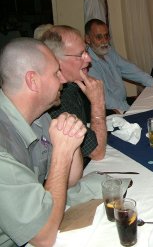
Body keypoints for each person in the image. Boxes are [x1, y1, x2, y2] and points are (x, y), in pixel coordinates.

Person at [0, 38, 88, 246]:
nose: (63, 80)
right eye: (56, 73)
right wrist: (62, 153)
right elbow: (43, 236)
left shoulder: (39, 116)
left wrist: (70, 140)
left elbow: (70, 179)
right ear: (33, 81)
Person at [41, 25, 107, 162]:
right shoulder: (56, 100)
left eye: (86, 51)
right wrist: (98, 103)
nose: (89, 59)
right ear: (56, 61)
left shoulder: (71, 85)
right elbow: (97, 152)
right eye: (80, 55)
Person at [85, 19, 153, 113]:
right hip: (110, 111)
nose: (104, 41)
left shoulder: (109, 51)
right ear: (88, 39)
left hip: (123, 104)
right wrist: (130, 110)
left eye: (106, 36)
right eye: (99, 37)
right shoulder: (87, 65)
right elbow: (106, 100)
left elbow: (129, 68)